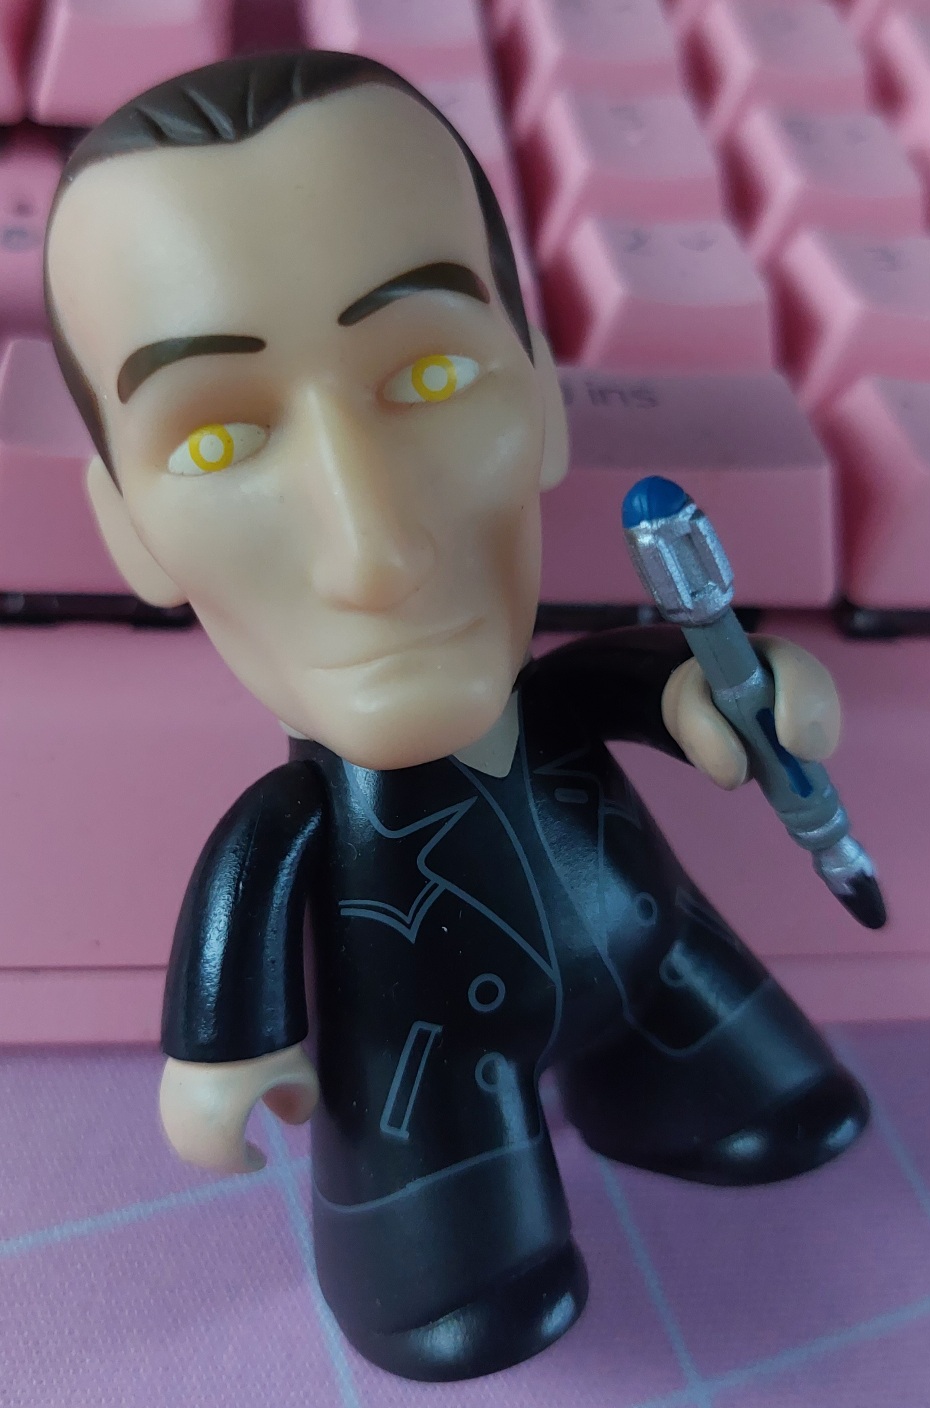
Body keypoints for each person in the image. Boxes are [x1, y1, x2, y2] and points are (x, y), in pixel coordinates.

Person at [44, 50, 868, 1383]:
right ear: (128, 531)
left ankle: (683, 1096)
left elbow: (657, 685)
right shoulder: (296, 823)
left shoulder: (560, 695)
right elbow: (246, 892)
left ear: (542, 394)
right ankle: (448, 1256)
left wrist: (736, 691)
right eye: (215, 442)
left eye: (430, 376)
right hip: (422, 1064)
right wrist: (222, 1052)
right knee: (458, 1275)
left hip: (657, 955)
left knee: (768, 1095)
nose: (374, 554)